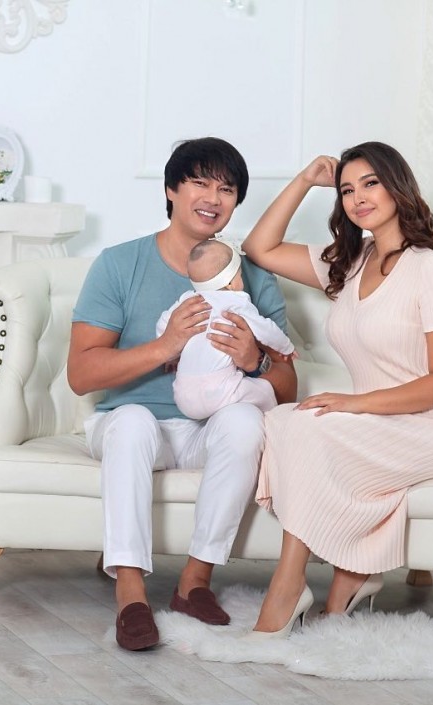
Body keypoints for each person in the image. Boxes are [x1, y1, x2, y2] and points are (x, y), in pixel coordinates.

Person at [240, 141, 433, 640]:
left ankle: (289, 586)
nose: (358, 198)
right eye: (347, 190)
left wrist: (353, 404)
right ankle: (351, 577)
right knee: (282, 421)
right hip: (379, 421)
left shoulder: (431, 267)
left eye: (370, 183)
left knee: (307, 428)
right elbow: (259, 247)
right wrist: (305, 180)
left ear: (398, 185)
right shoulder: (351, 261)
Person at [67, 136, 298, 651]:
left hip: (206, 429)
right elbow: (80, 374)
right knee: (132, 422)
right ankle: (130, 594)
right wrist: (165, 345)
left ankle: (195, 583)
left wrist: (255, 361)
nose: (212, 198)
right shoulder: (119, 263)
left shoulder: (251, 277)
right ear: (171, 189)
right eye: (199, 183)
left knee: (245, 421)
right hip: (129, 423)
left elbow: (287, 386)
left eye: (226, 189)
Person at [156, 238, 296, 420]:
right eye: (240, 275)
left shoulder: (187, 301)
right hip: (221, 390)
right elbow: (266, 330)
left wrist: (172, 355)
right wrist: (286, 347)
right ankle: (278, 419)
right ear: (231, 283)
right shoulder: (237, 302)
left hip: (183, 396)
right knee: (266, 391)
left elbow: (163, 325)